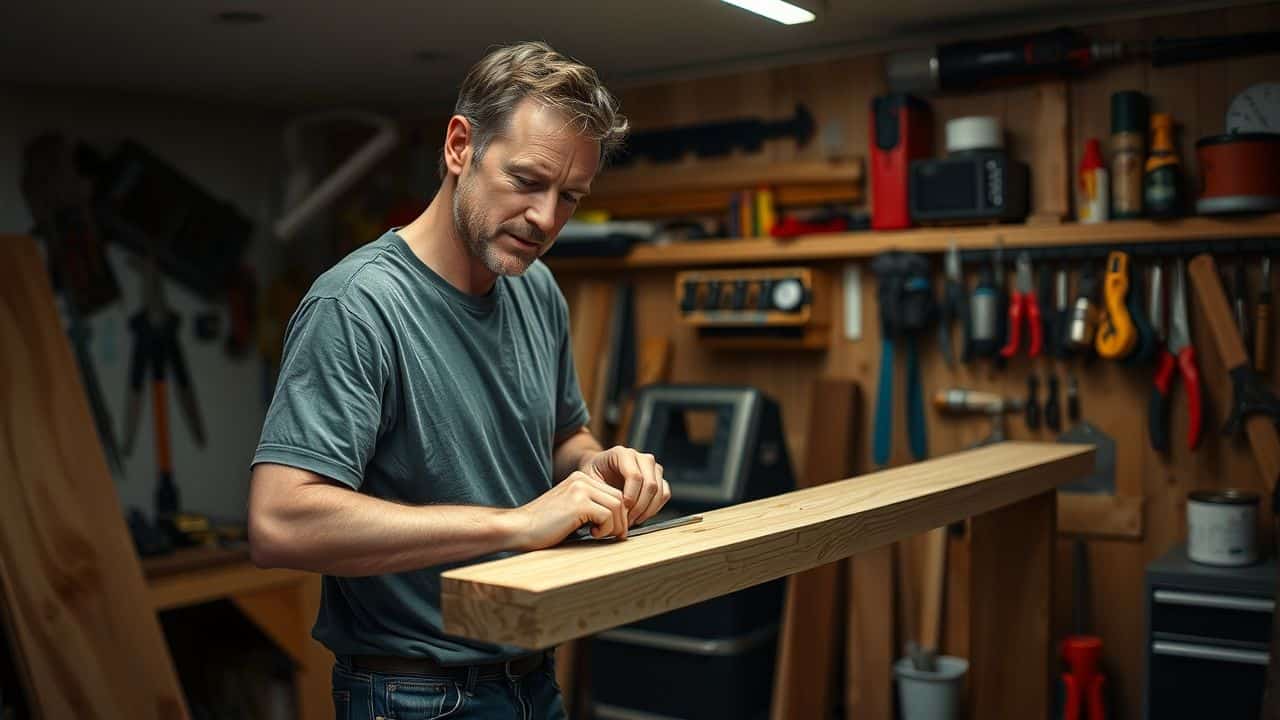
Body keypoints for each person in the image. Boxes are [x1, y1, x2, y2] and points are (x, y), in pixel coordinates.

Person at [247, 41, 668, 719]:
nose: (546, 219)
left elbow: (563, 435)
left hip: (532, 676)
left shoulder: (537, 292)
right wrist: (515, 524)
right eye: (527, 181)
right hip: (414, 694)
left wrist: (599, 466)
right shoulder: (357, 305)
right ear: (459, 146)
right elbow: (279, 522)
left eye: (571, 198)